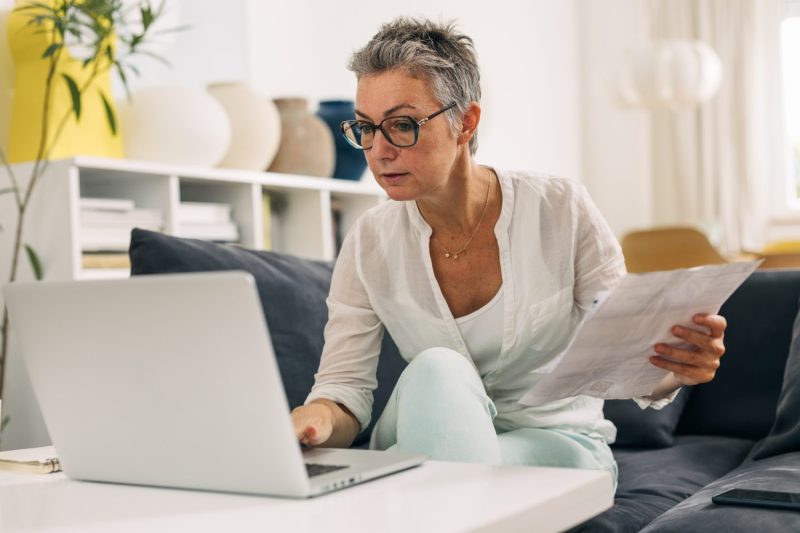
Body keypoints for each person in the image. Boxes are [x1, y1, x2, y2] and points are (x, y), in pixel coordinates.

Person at [290, 17, 727, 485]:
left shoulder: (561, 209)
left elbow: (628, 365)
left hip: (556, 445)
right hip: (427, 423)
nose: (378, 150)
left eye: (401, 125)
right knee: (438, 369)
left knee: (436, 464)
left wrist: (680, 368)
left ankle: (421, 489)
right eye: (366, 128)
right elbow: (344, 392)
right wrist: (313, 420)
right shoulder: (368, 241)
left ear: (466, 122)